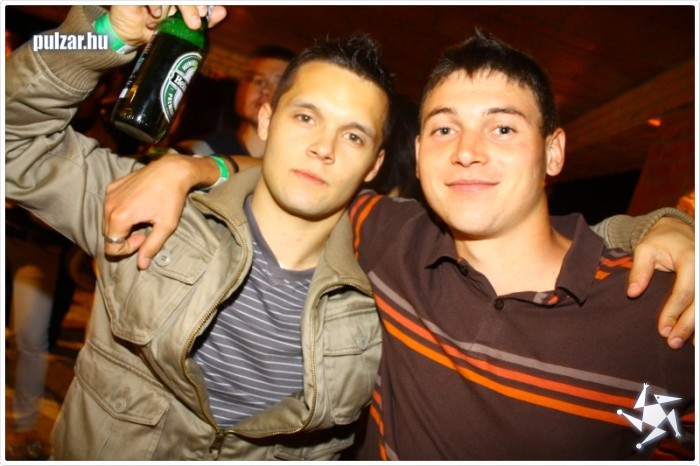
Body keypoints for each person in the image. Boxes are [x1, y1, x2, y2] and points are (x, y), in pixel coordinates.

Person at [97, 31, 696, 461]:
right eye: (444, 128)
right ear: (417, 153)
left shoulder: (661, 314)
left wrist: (666, 224)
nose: (467, 151)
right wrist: (192, 169)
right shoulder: (389, 234)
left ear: (554, 151)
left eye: (502, 127)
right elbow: (304, 174)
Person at [5, 5, 392, 460]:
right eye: (305, 117)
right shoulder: (152, 209)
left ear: (374, 165)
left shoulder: (380, 302)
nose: (323, 148)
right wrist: (103, 33)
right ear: (266, 120)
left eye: (353, 137)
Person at [175, 44, 295, 158]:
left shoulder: (297, 164)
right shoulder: (195, 153)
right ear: (240, 89)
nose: (265, 90)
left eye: (279, 84)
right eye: (258, 80)